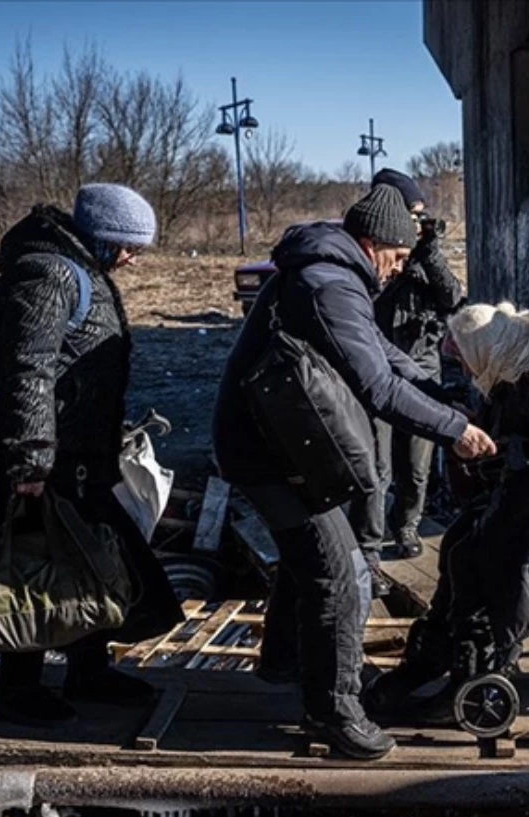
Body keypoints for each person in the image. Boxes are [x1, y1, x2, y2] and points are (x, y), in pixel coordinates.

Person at [212, 184, 496, 760]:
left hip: (268, 443)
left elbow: (380, 354)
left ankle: (285, 666)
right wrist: (454, 431)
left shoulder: (332, 273)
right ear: (373, 243)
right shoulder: (329, 283)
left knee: (306, 560)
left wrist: (440, 394)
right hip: (268, 454)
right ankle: (334, 714)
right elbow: (376, 386)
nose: (397, 269)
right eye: (395, 256)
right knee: (337, 573)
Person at [0, 183, 182, 726]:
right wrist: (30, 460)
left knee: (94, 565)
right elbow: (28, 369)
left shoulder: (83, 273)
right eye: (125, 245)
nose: (132, 257)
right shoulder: (50, 274)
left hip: (80, 459)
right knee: (31, 570)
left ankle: (89, 670)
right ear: (98, 236)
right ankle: (16, 688)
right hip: (39, 462)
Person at [364, 302, 529, 717]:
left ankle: (479, 667)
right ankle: (430, 659)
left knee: (493, 566)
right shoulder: (508, 381)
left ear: (489, 350)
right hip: (520, 495)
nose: (466, 370)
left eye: (467, 359)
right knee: (458, 548)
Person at [348, 169, 463, 593]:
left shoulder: (422, 257)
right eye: (412, 214)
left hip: (420, 368)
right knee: (375, 467)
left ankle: (408, 527)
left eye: (421, 215)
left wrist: (427, 252)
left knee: (415, 466)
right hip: (377, 368)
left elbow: (453, 299)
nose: (419, 222)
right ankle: (370, 551)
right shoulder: (375, 253)